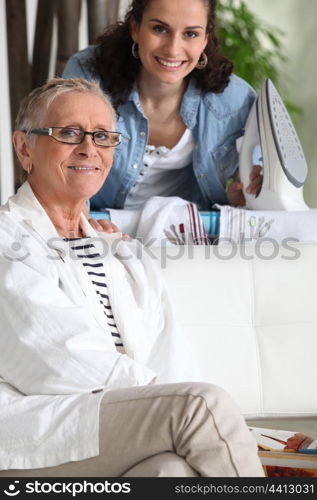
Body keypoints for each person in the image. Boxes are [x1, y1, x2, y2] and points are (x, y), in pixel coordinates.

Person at [0, 78, 264, 477]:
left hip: (112, 425)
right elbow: (54, 356)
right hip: (37, 428)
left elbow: (168, 350)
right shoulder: (8, 240)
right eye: (69, 133)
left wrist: (169, 402)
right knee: (200, 407)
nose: (90, 148)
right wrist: (167, 401)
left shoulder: (119, 253)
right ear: (25, 148)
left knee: (171, 471)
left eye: (104, 136)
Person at [63, 0, 263, 219]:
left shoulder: (236, 100)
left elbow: (246, 190)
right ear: (135, 28)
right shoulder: (88, 75)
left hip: (185, 237)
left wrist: (239, 195)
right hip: (96, 226)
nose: (173, 49)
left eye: (191, 34)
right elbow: (60, 166)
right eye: (160, 29)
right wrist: (81, 221)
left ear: (206, 38)